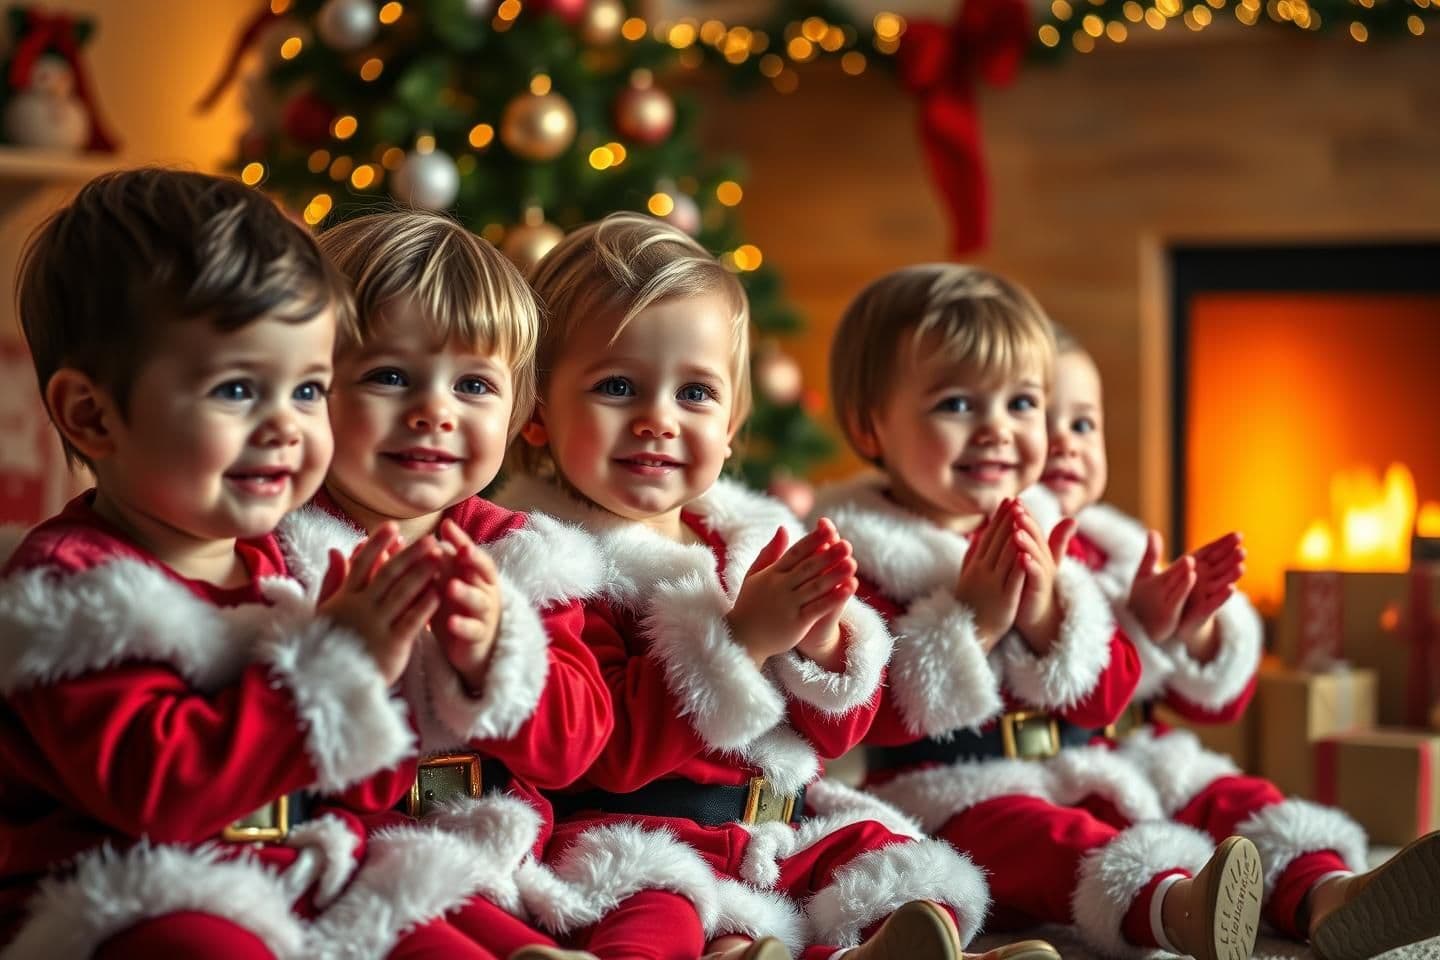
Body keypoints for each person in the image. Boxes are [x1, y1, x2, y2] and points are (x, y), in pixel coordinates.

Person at [498, 213, 1053, 960]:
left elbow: (837, 732)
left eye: (694, 394)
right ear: (536, 414)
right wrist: (738, 640)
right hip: (637, 834)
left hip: (776, 829)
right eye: (619, 387)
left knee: (898, 867)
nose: (658, 420)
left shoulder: (756, 539)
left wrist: (821, 645)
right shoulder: (552, 561)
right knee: (653, 916)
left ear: (731, 425)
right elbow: (606, 756)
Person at [0, 169, 442, 958]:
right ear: (91, 415)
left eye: (309, 390)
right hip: (132, 896)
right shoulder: (73, 593)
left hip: (296, 872)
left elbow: (355, 787)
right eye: (238, 389)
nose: (286, 427)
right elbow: (160, 792)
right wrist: (332, 664)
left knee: (439, 919)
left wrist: (378, 674)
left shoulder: (282, 564)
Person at [289, 210, 724, 960]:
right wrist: (352, 654)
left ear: (519, 408)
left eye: (473, 384)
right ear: (310, 390)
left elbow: (575, 747)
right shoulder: (285, 550)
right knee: (416, 918)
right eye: (390, 377)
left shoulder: (525, 553)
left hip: (504, 842)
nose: (435, 411)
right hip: (355, 843)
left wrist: (501, 655)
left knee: (635, 906)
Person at [818, 263, 1263, 960]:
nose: (998, 430)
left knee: (1225, 796)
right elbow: (847, 719)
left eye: (1022, 405)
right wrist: (975, 623)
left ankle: (1328, 888)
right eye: (958, 405)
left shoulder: (1048, 530)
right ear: (870, 425)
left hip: (1076, 765)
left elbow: (1105, 694)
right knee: (1048, 844)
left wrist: (1053, 614)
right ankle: (1177, 910)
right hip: (949, 788)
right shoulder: (853, 552)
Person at [1035, 324, 1440, 960]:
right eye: (1036, 412)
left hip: (1137, 747)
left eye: (1084, 425)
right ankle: (1185, 912)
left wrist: (1189, 631)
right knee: (1084, 850)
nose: (1066, 443)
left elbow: (1209, 704)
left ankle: (1334, 896)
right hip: (1042, 768)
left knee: (1241, 801)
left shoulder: (1119, 548)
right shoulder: (991, 557)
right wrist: (1132, 627)